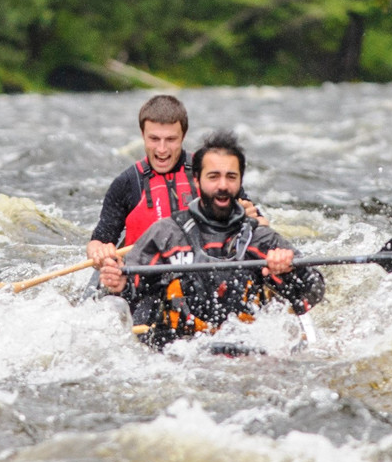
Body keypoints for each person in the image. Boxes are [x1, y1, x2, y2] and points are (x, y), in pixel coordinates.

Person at [98, 129, 325, 349]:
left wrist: (288, 272)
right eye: (213, 177)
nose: (223, 185)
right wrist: (119, 284)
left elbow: (314, 292)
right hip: (178, 355)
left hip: (248, 356)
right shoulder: (164, 235)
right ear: (197, 181)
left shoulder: (261, 239)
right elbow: (128, 296)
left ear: (240, 181)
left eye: (231, 177)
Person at [86, 94, 263, 266]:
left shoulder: (211, 173)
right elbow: (98, 242)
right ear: (143, 134)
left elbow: (261, 224)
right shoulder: (126, 183)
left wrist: (250, 217)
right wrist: (100, 252)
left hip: (205, 267)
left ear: (183, 136)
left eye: (170, 139)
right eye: (154, 139)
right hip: (147, 274)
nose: (162, 149)